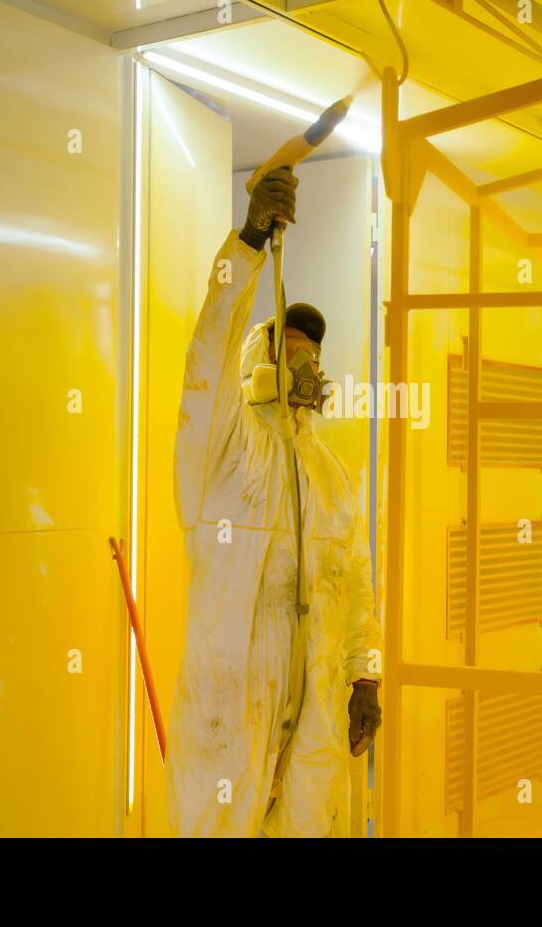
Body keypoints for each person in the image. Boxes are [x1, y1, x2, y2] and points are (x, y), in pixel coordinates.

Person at [168, 166, 383, 837]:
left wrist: (365, 675)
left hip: (314, 707)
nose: (303, 364)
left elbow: (356, 582)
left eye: (311, 353)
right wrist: (252, 238)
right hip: (231, 704)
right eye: (289, 349)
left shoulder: (328, 470)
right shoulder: (226, 444)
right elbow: (209, 346)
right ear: (263, 356)